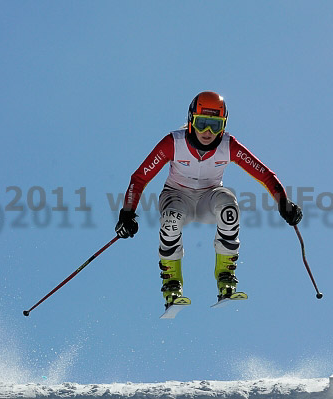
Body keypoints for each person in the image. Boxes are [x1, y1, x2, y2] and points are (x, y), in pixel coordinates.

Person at [115, 91, 302, 309]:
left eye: (215, 125)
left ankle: (225, 275)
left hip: (209, 198)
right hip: (177, 196)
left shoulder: (228, 145)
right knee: (171, 219)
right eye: (202, 123)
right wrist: (127, 213)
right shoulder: (173, 143)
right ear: (191, 120)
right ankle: (171, 282)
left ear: (223, 125)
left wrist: (284, 203)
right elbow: (139, 178)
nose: (207, 132)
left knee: (229, 209)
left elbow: (264, 175)